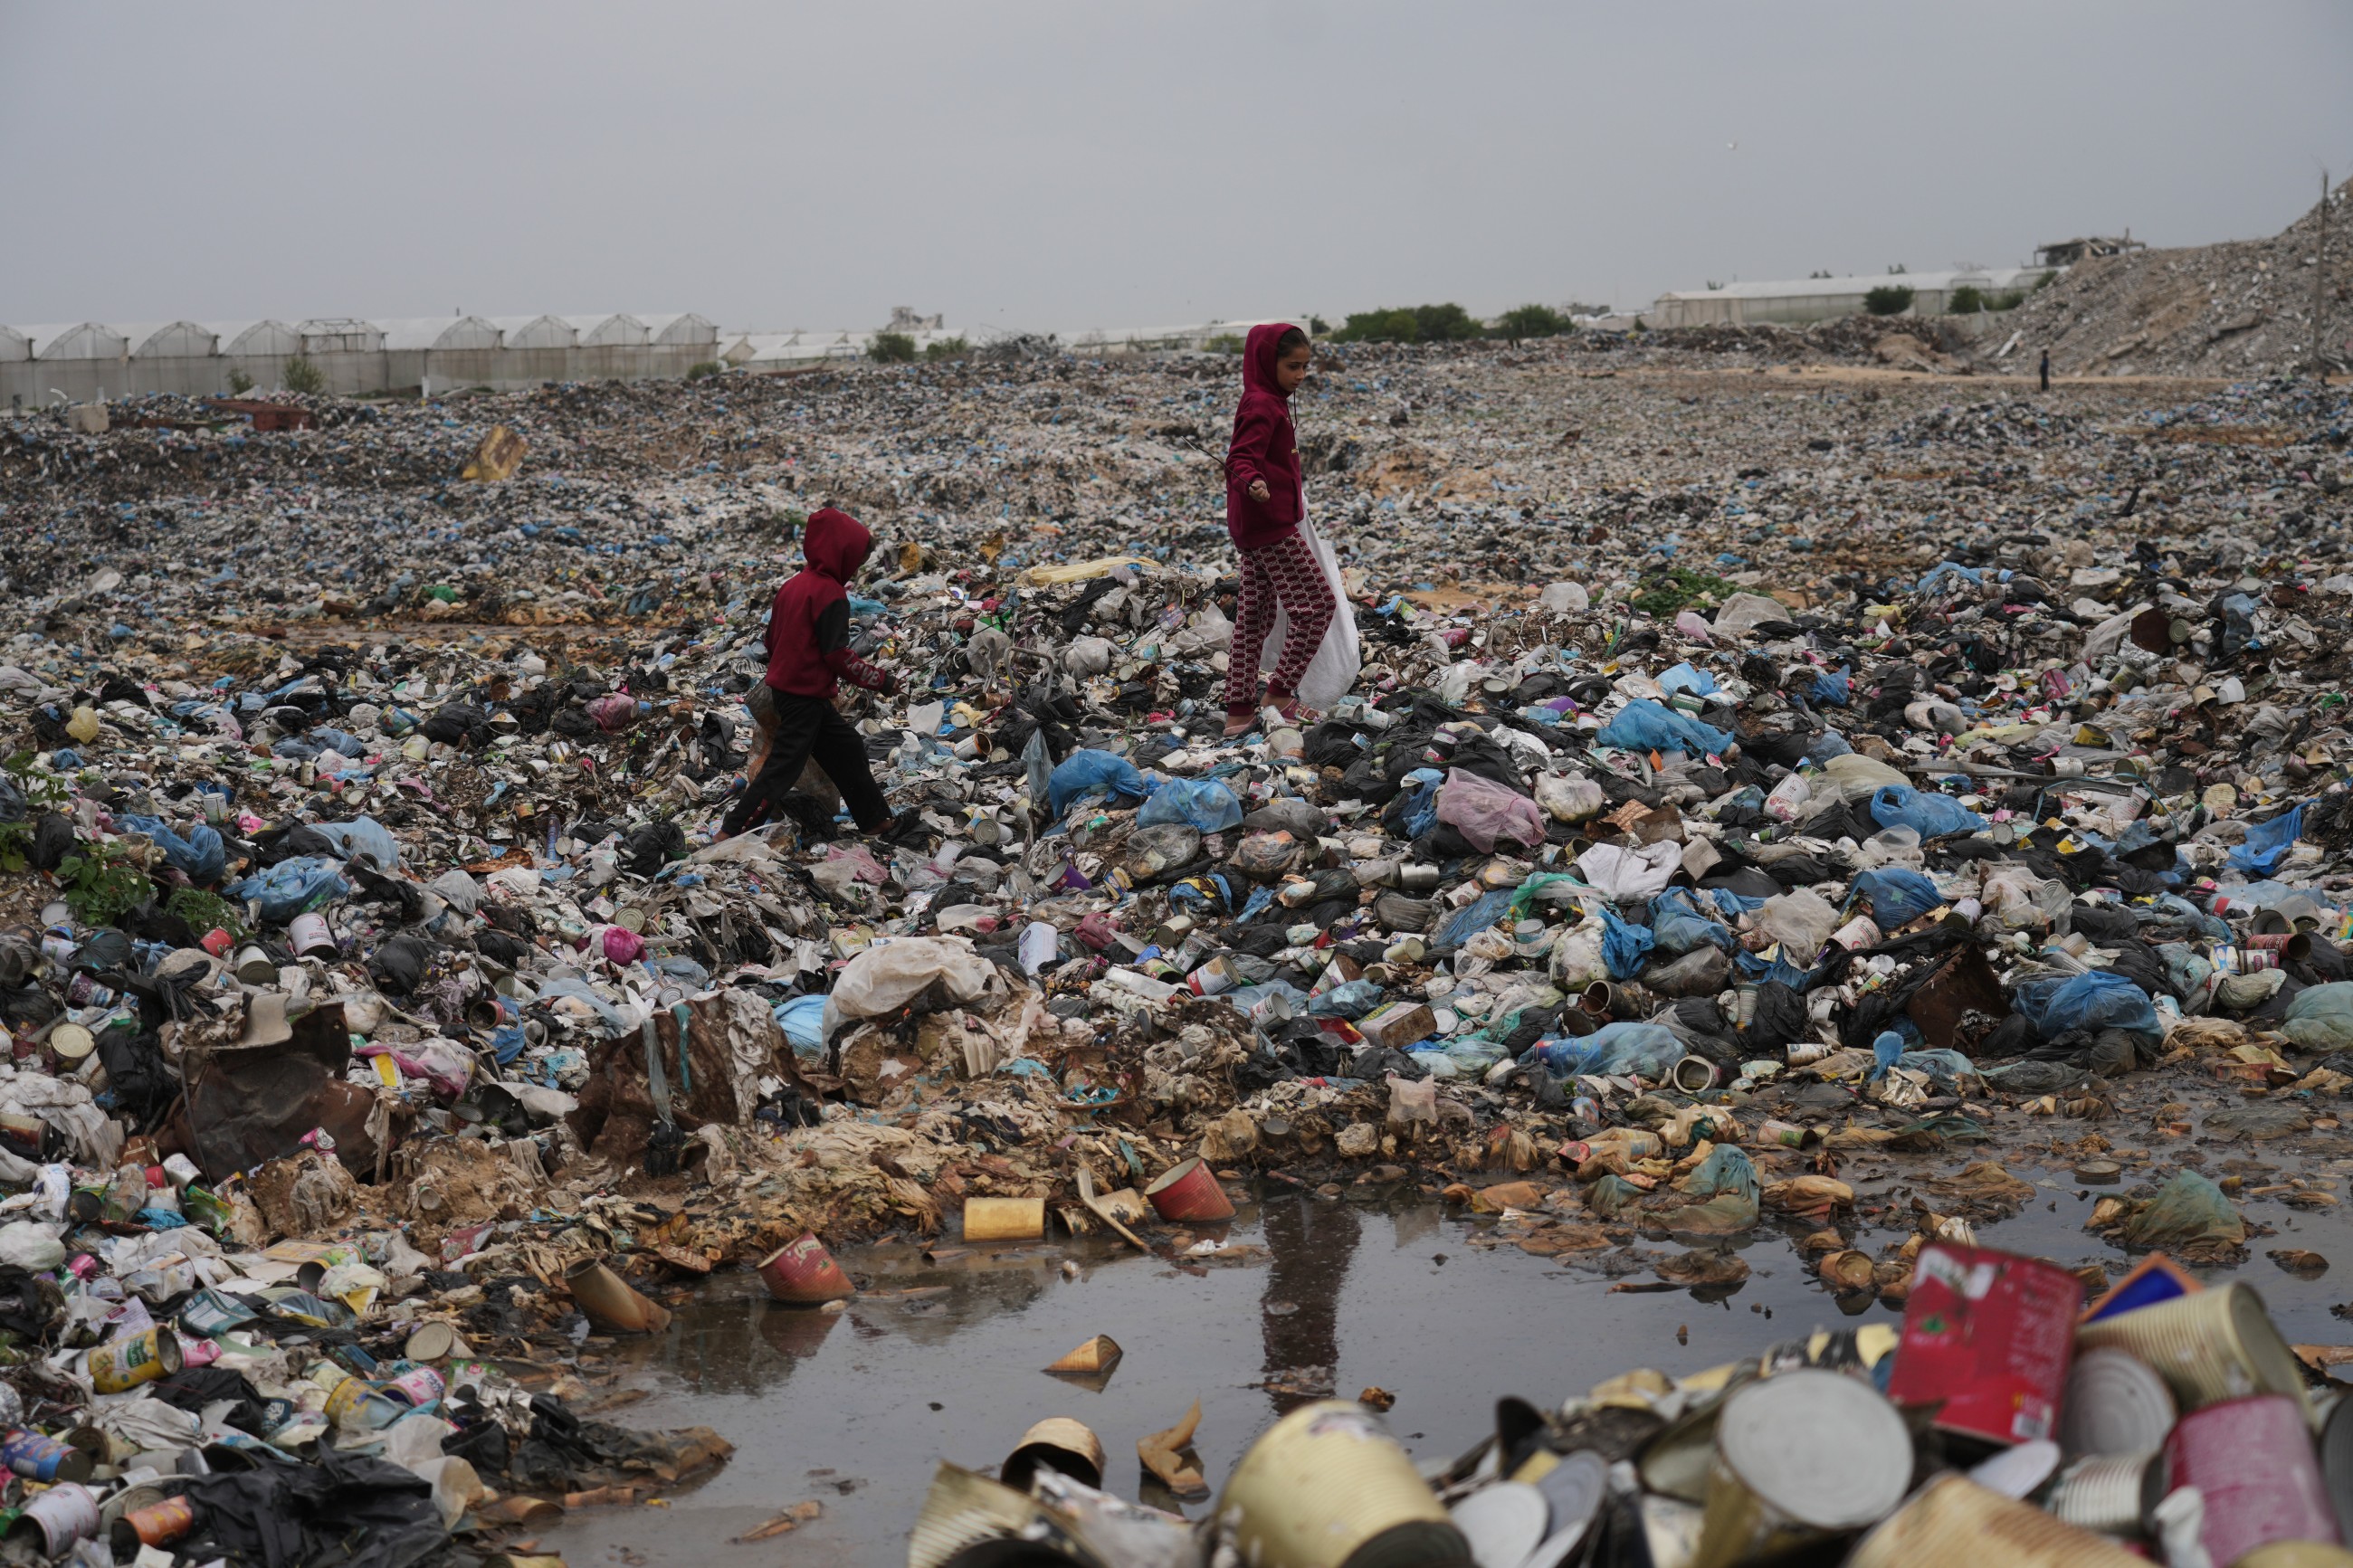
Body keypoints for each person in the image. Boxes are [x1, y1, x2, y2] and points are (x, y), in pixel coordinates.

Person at [720, 507, 900, 840]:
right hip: (803, 698)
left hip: (795, 693)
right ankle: (732, 830)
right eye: (856, 561)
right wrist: (882, 680)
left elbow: (771, 640)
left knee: (848, 749)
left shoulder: (792, 586)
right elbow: (837, 656)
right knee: (781, 770)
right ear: (841, 553)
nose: (856, 569)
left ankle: (876, 821)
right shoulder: (830, 594)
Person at [1224, 321, 1335, 737]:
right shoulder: (1262, 405)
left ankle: (1238, 714)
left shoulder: (1270, 399)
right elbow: (1239, 457)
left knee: (1255, 617)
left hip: (1256, 526)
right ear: (1267, 363)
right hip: (1268, 526)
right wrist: (1252, 481)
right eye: (1293, 366)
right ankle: (1279, 696)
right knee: (1318, 605)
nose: (1301, 376)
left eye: (1305, 367)